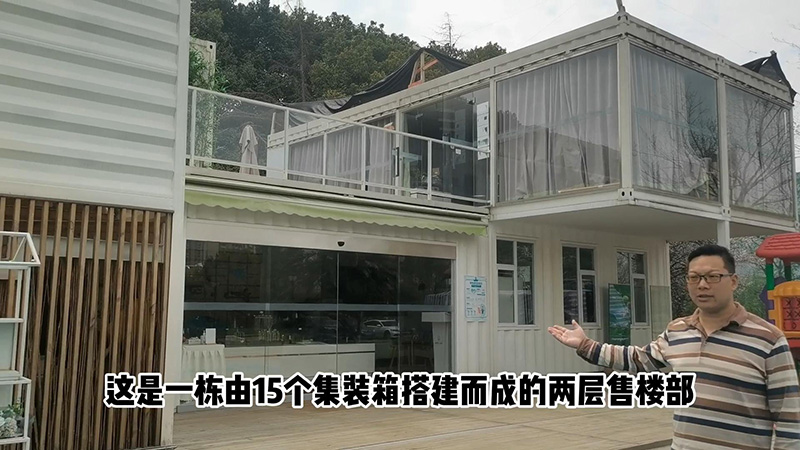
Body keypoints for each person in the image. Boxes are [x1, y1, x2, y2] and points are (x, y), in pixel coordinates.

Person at [548, 244, 800, 449]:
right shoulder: (677, 330)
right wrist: (584, 345)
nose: (702, 285)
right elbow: (638, 359)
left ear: (733, 281)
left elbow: (789, 415)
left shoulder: (768, 339)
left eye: (713, 277)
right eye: (694, 277)